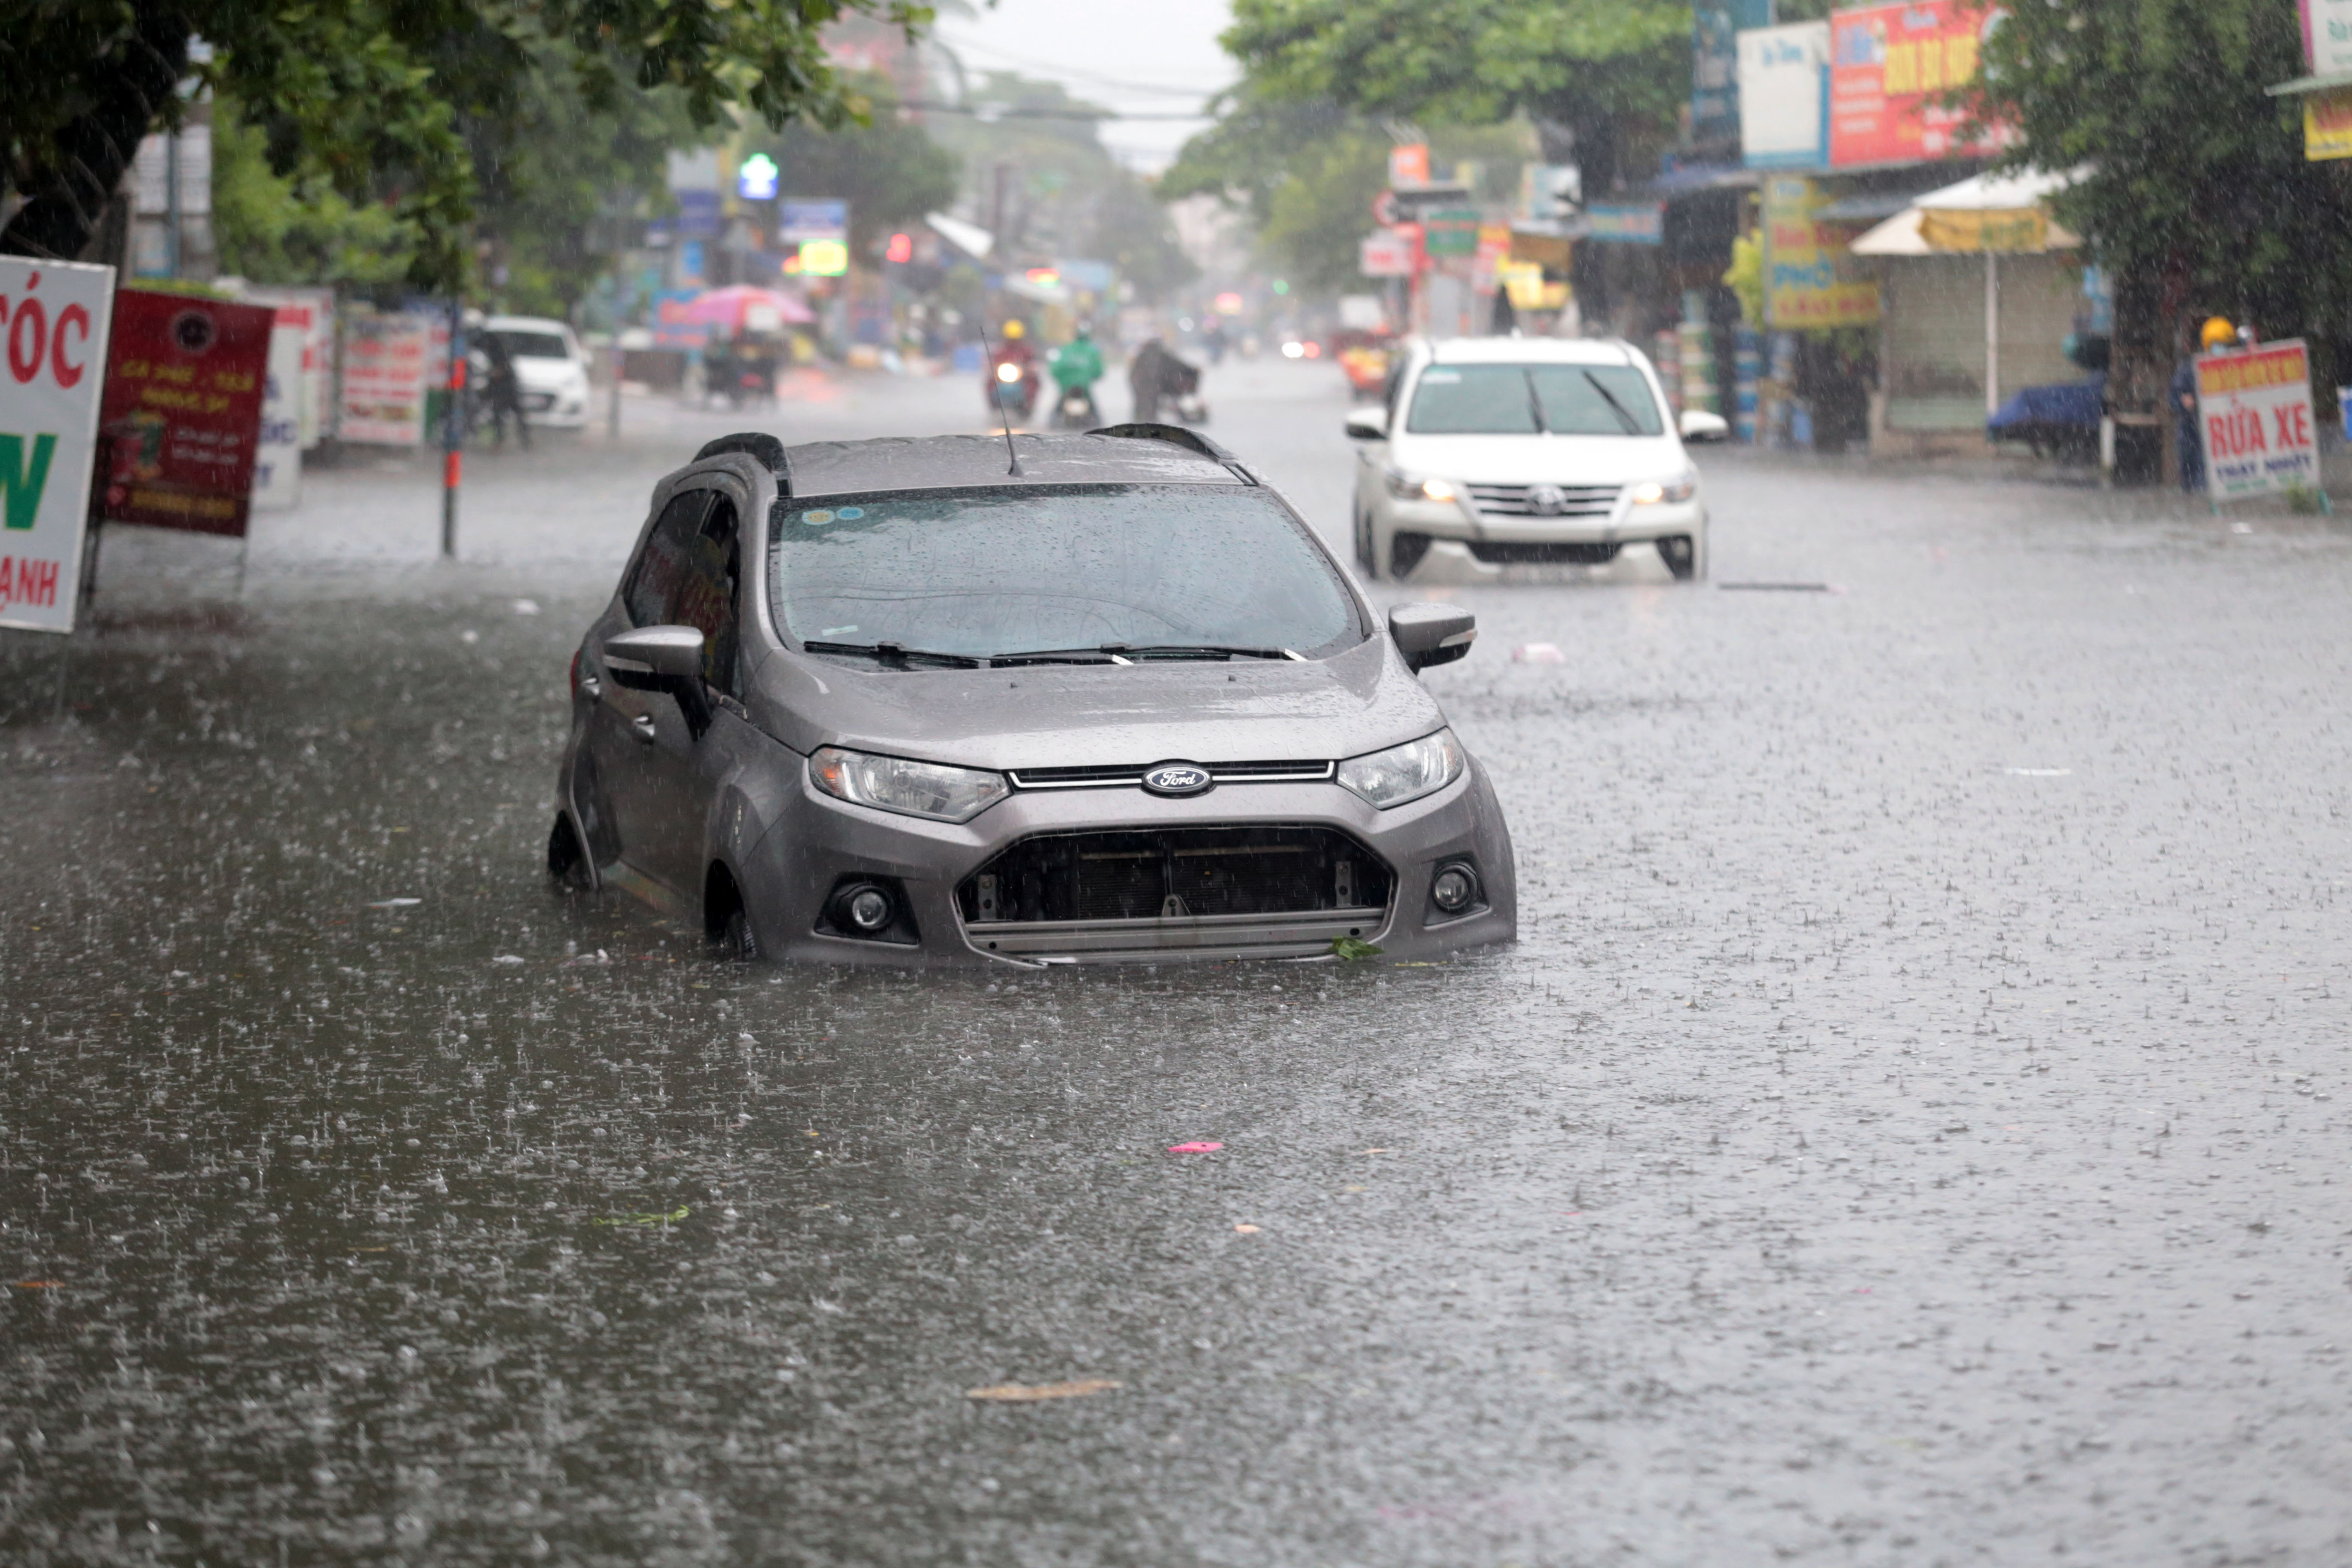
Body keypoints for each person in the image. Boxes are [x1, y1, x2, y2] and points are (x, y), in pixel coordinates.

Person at [2173, 316, 2234, 493]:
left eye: (2225, 344)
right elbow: (2174, 397)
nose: (2221, 349)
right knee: (2193, 479)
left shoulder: (2235, 369)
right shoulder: (2190, 369)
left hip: (2222, 434)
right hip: (2192, 432)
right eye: (2217, 344)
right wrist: (2183, 402)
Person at [1049, 319, 1105, 426]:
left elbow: (1055, 370)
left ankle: (1052, 422)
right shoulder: (1092, 351)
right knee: (1096, 417)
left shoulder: (1067, 349)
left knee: (1055, 416)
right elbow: (1099, 371)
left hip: (1067, 389)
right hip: (1084, 389)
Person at [480, 331, 530, 450]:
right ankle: (506, 439)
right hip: (503, 389)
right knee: (503, 415)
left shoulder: (500, 353)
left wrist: (491, 375)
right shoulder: (495, 352)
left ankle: (522, 439)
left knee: (509, 414)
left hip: (507, 389)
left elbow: (502, 370)